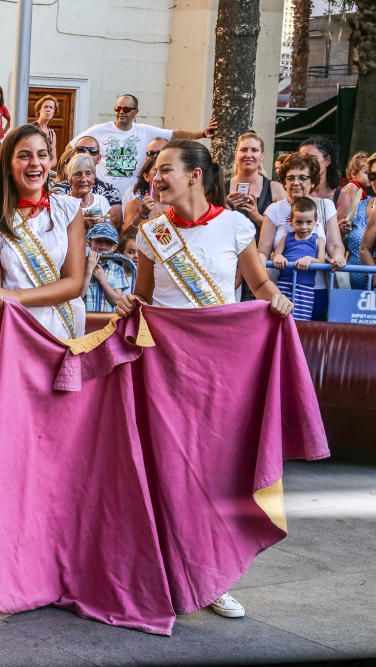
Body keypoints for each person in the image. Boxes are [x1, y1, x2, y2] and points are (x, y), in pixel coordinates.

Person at [115, 140, 294, 620]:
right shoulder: (153, 233)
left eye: (166, 169)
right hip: (166, 369)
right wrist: (131, 306)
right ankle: (169, 575)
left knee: (218, 474)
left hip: (222, 370)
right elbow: (146, 299)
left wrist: (275, 299)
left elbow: (257, 284)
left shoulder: (235, 225)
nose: (156, 177)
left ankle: (216, 578)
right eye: (153, 171)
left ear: (195, 175)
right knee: (170, 475)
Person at [0, 124, 86, 350]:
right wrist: (4, 297)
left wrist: (15, 296)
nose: (35, 163)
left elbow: (73, 283)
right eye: (24, 156)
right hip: (13, 335)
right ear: (7, 165)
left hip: (61, 332)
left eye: (42, 155)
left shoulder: (69, 210)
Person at [72, 93, 216, 199]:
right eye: (118, 108)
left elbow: (174, 134)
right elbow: (71, 148)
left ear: (136, 112)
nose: (121, 112)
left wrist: (202, 133)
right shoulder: (99, 130)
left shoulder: (144, 131)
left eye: (127, 109)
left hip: (132, 195)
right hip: (103, 195)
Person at [258, 152, 346, 319]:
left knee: (310, 340)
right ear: (284, 181)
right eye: (290, 178)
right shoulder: (274, 209)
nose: (296, 183)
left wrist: (338, 257)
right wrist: (264, 270)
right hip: (279, 289)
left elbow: (335, 245)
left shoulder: (325, 206)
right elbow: (263, 250)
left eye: (302, 178)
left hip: (314, 289)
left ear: (312, 181)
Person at [51, 135, 124, 228]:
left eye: (92, 151)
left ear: (99, 158)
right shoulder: (59, 190)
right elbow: (55, 222)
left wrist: (101, 220)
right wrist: (80, 222)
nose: (86, 154)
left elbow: (115, 223)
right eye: (81, 150)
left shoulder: (110, 191)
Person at [272, 197, 326, 320]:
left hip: (305, 289)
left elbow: (321, 261)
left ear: (315, 221)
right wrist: (278, 257)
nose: (303, 227)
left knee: (300, 323)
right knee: (280, 319)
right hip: (283, 285)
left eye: (308, 222)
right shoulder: (286, 237)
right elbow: (276, 254)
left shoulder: (318, 240)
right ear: (291, 221)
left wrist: (309, 259)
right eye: (299, 222)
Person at [225, 131, 287, 231]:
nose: (248, 155)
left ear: (262, 156)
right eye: (244, 150)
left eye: (254, 150)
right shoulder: (220, 187)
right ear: (236, 155)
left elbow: (285, 230)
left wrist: (256, 216)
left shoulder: (276, 188)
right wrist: (224, 210)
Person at [345, 153, 376, 289]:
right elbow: (364, 249)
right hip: (354, 290)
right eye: (372, 176)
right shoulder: (360, 203)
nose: (375, 180)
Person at [82, 223, 128, 312]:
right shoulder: (81, 265)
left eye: (108, 242)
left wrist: (103, 281)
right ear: (90, 243)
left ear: (114, 247)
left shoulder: (117, 270)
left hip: (107, 320)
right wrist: (89, 270)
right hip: (85, 318)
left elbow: (117, 301)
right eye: (98, 240)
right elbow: (79, 296)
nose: (103, 244)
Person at [122, 155, 167, 232]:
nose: (160, 178)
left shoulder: (176, 203)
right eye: (156, 172)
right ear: (146, 176)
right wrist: (141, 215)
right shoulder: (135, 204)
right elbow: (126, 238)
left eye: (165, 171)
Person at [65, 153, 111, 227]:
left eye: (88, 173)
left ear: (93, 178)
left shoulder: (101, 201)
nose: (83, 179)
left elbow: (110, 224)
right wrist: (80, 223)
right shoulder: (63, 204)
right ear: (70, 179)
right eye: (78, 174)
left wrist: (102, 220)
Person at [298, 136, 340, 203]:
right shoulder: (294, 192)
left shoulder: (340, 197)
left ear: (327, 161)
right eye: (301, 159)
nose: (305, 163)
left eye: (312, 158)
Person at [31, 95, 57, 166]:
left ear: (53, 112)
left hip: (45, 170)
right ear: (39, 110)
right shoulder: (31, 128)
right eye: (45, 106)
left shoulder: (52, 134)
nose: (48, 110)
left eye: (51, 107)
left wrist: (46, 167)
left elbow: (54, 159)